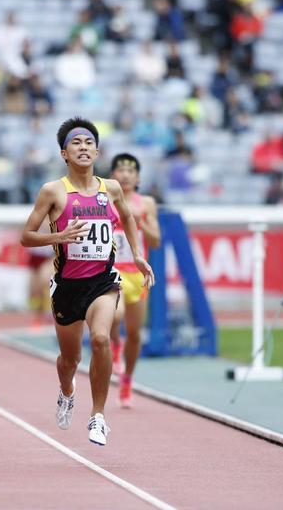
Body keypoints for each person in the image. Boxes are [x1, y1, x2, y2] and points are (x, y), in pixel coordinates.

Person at [20, 117, 155, 446]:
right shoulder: (52, 191)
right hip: (67, 287)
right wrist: (61, 235)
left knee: (100, 340)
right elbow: (26, 236)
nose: (83, 147)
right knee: (70, 360)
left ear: (97, 151)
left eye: (89, 143)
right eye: (76, 143)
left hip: (103, 282)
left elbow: (128, 218)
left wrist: (136, 254)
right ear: (64, 153)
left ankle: (98, 416)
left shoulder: (111, 188)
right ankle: (67, 392)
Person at [107, 154, 161, 408]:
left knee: (136, 333)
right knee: (114, 317)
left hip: (137, 275)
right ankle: (115, 347)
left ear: (138, 177)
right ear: (113, 175)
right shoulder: (104, 200)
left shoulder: (146, 203)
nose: (126, 174)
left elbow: (156, 241)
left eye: (131, 170)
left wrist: (140, 224)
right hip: (112, 271)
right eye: (120, 169)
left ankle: (127, 379)